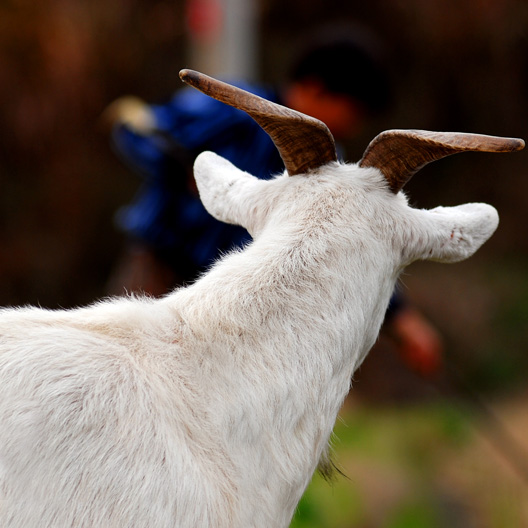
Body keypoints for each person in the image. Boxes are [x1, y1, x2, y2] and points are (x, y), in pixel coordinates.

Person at [106, 36, 442, 376]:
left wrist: (400, 317)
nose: (353, 127)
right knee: (122, 373)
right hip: (158, 270)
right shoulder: (234, 109)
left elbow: (349, 243)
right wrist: (183, 168)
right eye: (353, 112)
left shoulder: (326, 166)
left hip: (233, 298)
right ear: (315, 89)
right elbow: (134, 125)